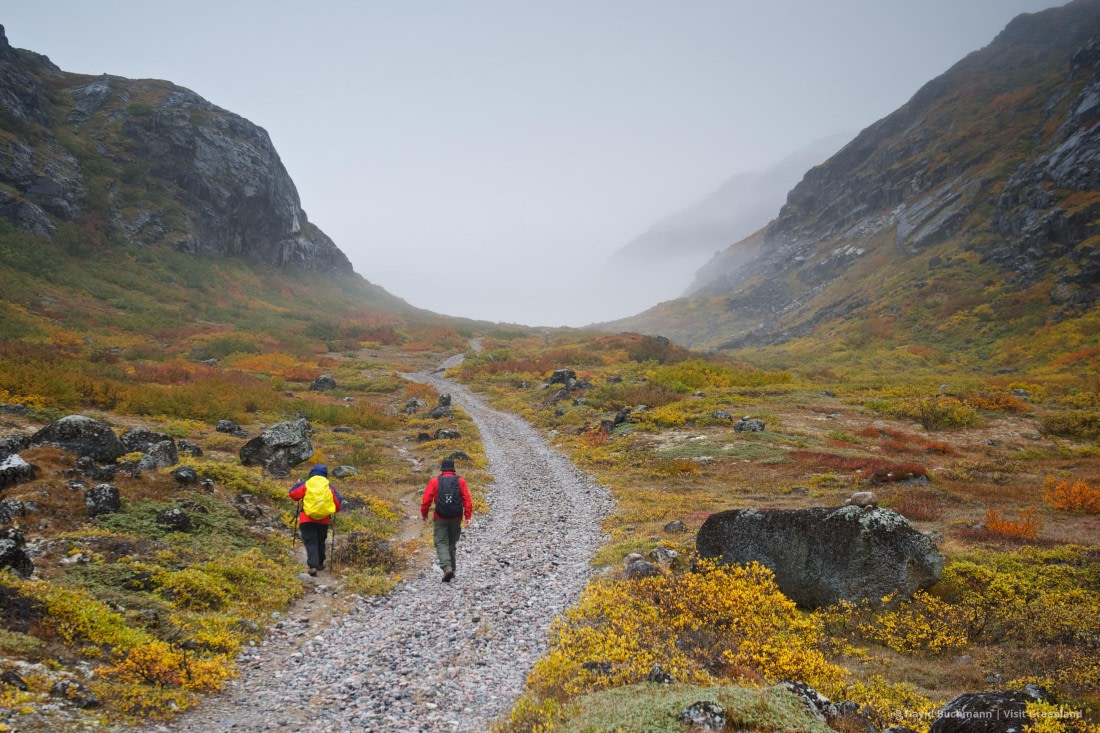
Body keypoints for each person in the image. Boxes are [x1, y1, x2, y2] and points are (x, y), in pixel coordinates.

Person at [421, 457, 472, 582]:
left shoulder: (435, 482)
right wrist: (468, 517)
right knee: (451, 543)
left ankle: (447, 567)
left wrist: (424, 514)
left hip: (440, 517)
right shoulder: (460, 481)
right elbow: (467, 499)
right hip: (456, 517)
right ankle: (452, 570)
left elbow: (426, 500)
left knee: (441, 542)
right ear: (453, 469)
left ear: (442, 469)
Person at [289, 464, 342, 576]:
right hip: (323, 520)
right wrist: (335, 509)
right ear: (325, 474)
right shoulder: (329, 486)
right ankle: (320, 563)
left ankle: (313, 565)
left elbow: (293, 495)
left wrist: (297, 484)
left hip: (306, 518)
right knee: (320, 540)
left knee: (310, 541)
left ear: (311, 473)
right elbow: (338, 502)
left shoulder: (306, 483)